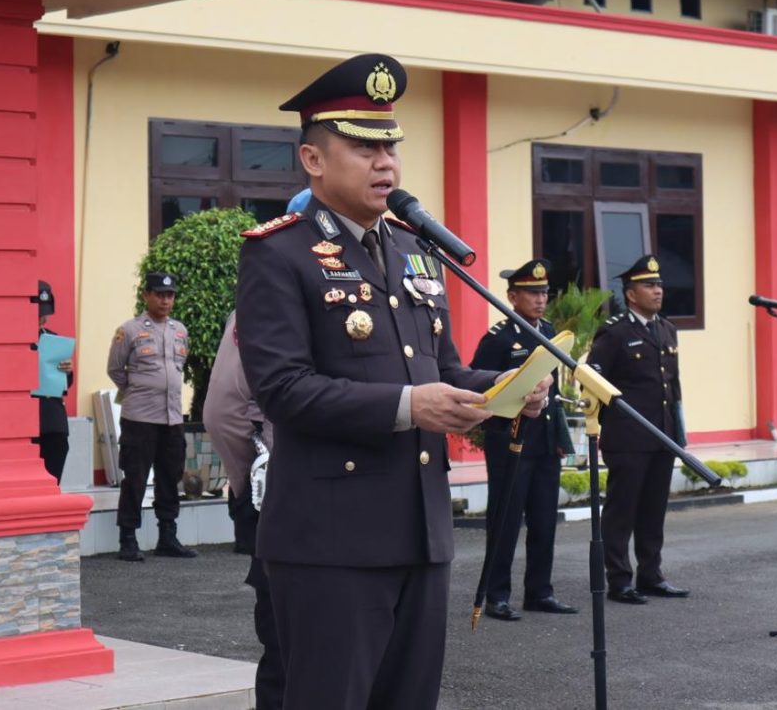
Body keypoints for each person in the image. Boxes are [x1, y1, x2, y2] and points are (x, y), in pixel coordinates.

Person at [235, 53, 549, 708]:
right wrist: (413, 405)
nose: (386, 164)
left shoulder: (412, 250)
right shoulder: (278, 252)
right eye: (363, 147)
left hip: (420, 533)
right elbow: (284, 390)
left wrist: (510, 387)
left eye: (391, 147)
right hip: (331, 543)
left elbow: (447, 372)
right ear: (314, 160)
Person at [470, 258, 578, 621]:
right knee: (505, 521)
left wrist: (561, 437)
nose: (540, 299)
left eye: (544, 293)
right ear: (512, 296)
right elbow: (480, 385)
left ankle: (540, 591)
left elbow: (555, 394)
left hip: (544, 442)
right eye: (532, 293)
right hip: (509, 443)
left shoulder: (549, 331)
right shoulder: (498, 337)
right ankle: (496, 595)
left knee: (545, 520)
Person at [589, 255, 689, 605]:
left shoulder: (666, 329)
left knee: (653, 510)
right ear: (631, 295)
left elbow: (672, 387)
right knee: (622, 511)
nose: (658, 290)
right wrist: (608, 420)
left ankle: (651, 574)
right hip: (628, 438)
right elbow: (592, 378)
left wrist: (679, 434)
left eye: (659, 285)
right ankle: (619, 580)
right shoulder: (615, 331)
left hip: (662, 436)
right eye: (649, 285)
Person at [202, 312, 284, 709]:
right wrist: (255, 479)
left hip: (300, 492)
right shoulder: (259, 308)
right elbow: (223, 415)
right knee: (288, 642)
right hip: (281, 493)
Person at [107, 272, 197, 561]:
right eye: (159, 294)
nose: (165, 300)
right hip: (140, 419)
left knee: (170, 478)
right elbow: (116, 370)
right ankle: (128, 539)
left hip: (172, 419)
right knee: (135, 478)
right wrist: (138, 391)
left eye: (170, 295)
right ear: (146, 295)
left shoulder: (179, 330)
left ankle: (167, 536)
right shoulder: (129, 330)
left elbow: (179, 367)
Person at [35, 281, 73, 483]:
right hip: (27, 421)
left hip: (53, 420)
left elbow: (64, 385)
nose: (42, 317)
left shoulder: (52, 338)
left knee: (53, 477)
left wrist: (67, 370)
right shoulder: (11, 341)